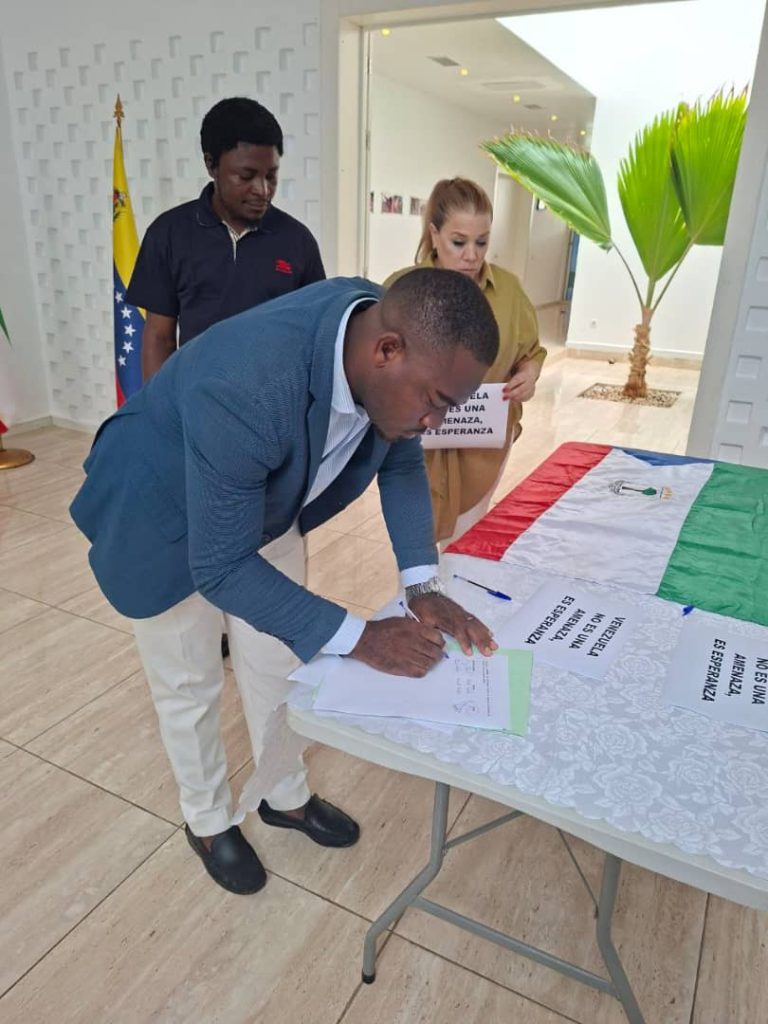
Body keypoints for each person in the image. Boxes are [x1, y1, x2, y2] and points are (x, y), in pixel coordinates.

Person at [70, 269, 500, 897]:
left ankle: (283, 795)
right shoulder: (247, 385)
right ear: (387, 351)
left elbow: (400, 461)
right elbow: (220, 567)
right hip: (162, 514)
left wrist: (421, 586)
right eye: (434, 400)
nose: (435, 421)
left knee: (277, 665)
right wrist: (362, 637)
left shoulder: (380, 334)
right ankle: (208, 821)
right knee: (189, 682)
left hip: (261, 497)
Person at [127, 95, 326, 656]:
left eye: (272, 176)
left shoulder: (296, 243)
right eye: (246, 175)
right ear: (212, 165)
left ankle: (264, 645)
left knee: (269, 558)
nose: (262, 189)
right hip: (195, 424)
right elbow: (158, 336)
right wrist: (157, 425)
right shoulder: (170, 234)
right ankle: (212, 633)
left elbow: (313, 344)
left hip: (273, 436)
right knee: (201, 553)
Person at [385, 178, 546, 545]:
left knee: (467, 542)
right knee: (415, 548)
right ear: (434, 234)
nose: (472, 255)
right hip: (414, 446)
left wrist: (529, 374)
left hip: (482, 448)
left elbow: (531, 353)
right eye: (458, 242)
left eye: (482, 242)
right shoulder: (400, 289)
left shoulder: (508, 291)